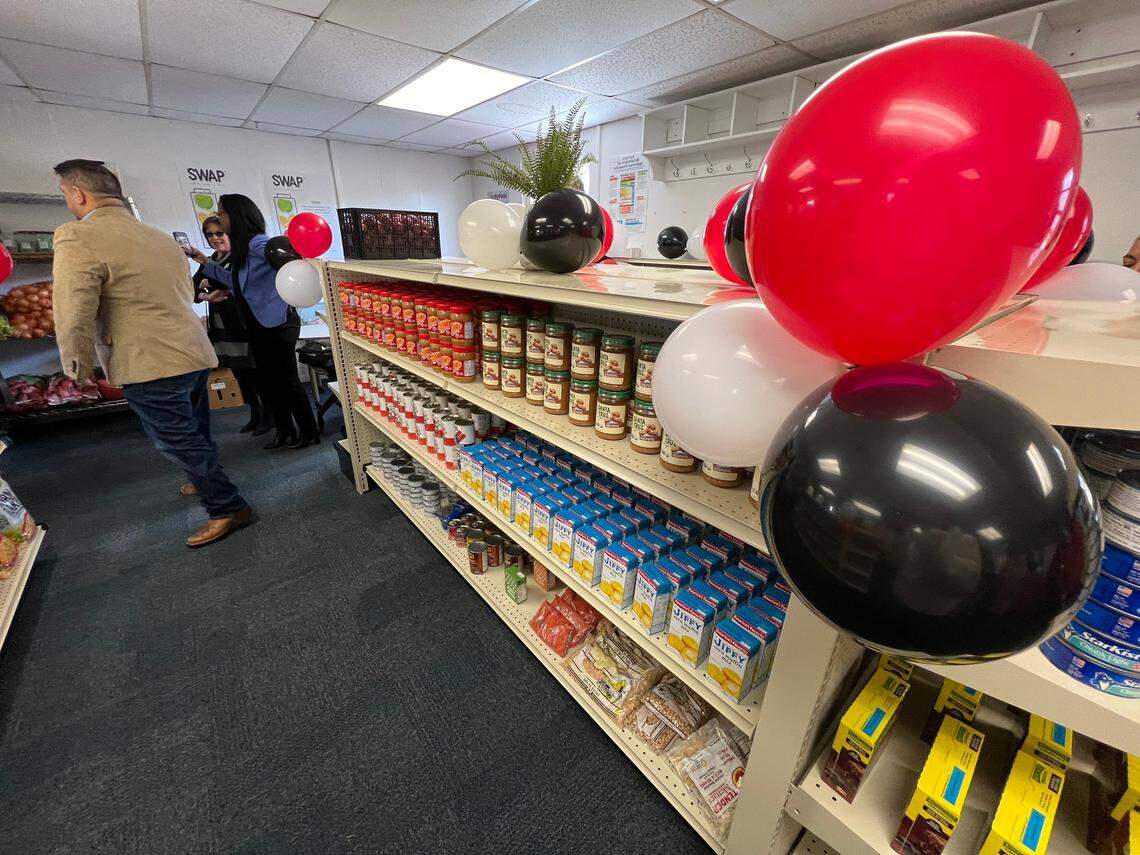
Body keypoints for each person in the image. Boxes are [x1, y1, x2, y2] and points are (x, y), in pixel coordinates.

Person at [51, 159, 254, 547]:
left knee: (179, 440)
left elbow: (73, 306)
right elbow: (183, 294)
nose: (68, 203)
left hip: (148, 358)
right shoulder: (160, 236)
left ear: (78, 194)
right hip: (192, 350)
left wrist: (75, 363)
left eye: (65, 194)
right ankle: (205, 481)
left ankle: (227, 507)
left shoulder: (77, 236)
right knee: (195, 432)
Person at [184, 194, 319, 449]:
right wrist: (203, 262)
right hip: (257, 325)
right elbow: (238, 281)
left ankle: (309, 432)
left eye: (222, 213)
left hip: (277, 324)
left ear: (236, 216)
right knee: (269, 383)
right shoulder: (242, 248)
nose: (219, 217)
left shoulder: (259, 245)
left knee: (287, 381)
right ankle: (285, 430)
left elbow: (292, 272)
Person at [192, 216, 272, 435]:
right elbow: (193, 290)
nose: (215, 238)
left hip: (243, 325)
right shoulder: (210, 260)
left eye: (220, 233)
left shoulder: (240, 258)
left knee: (255, 373)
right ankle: (255, 412)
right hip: (222, 329)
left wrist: (212, 283)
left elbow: (233, 282)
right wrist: (206, 294)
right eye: (210, 234)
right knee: (239, 374)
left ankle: (269, 414)